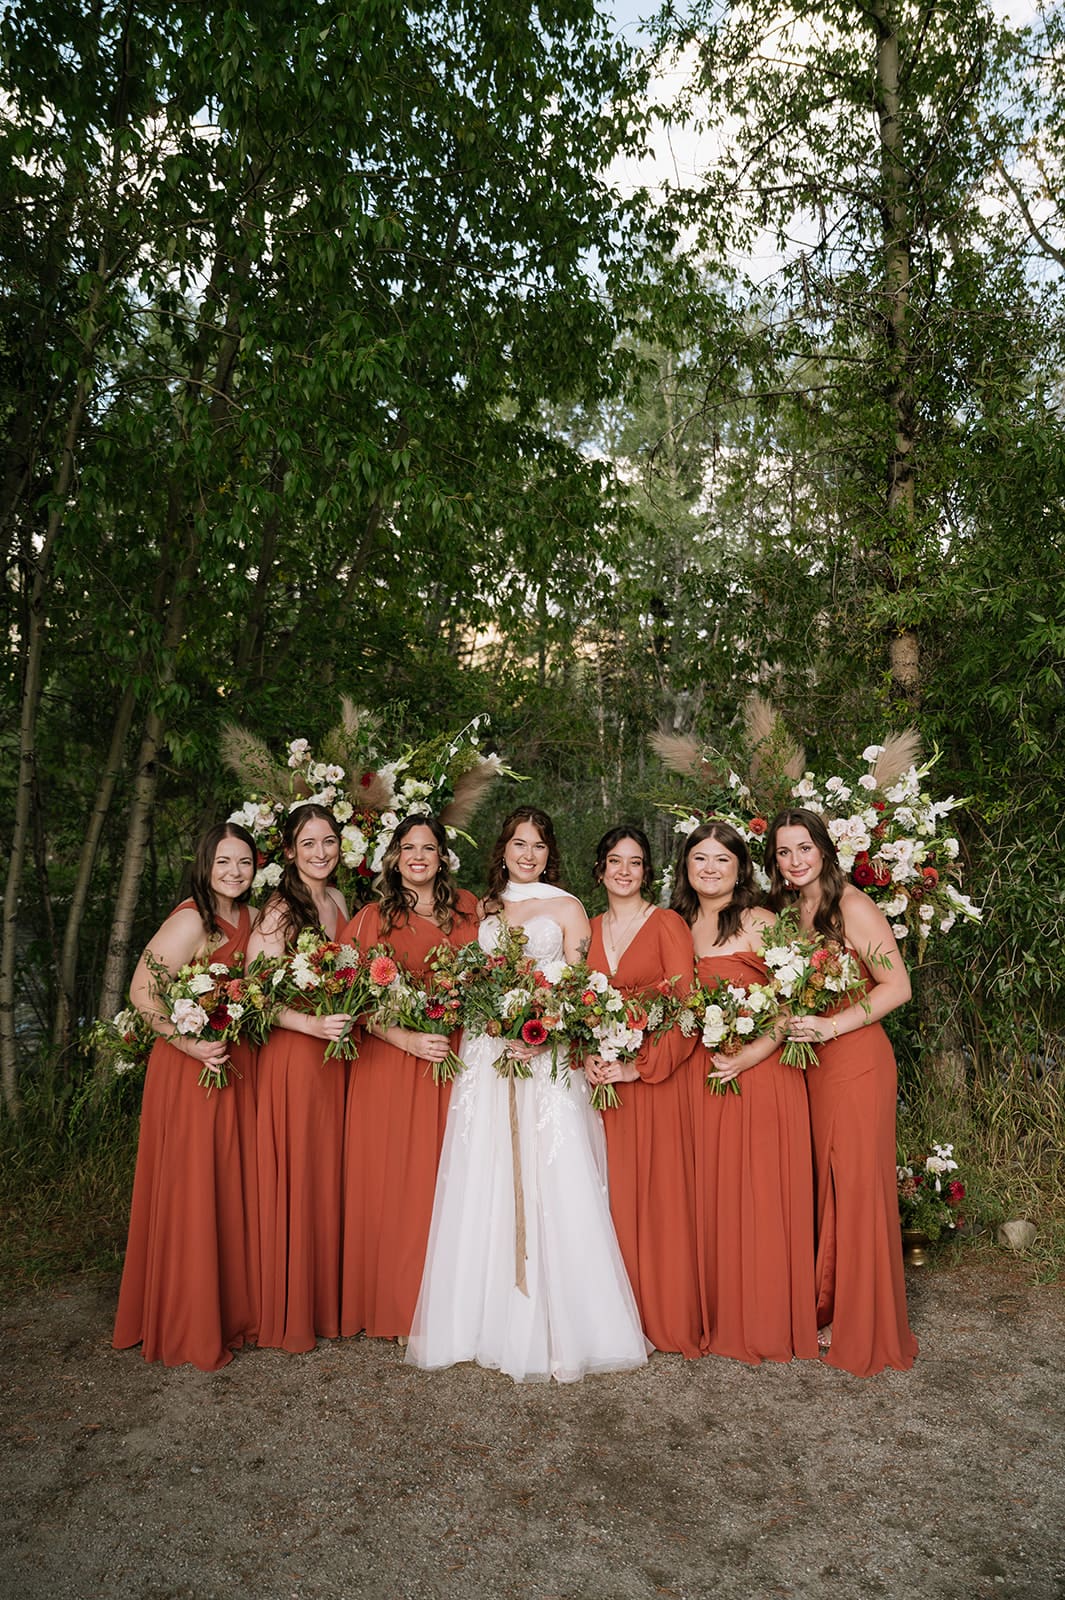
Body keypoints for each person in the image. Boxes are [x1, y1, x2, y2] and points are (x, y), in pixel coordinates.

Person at [406, 806, 649, 1383]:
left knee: (554, 1171)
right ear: (504, 849)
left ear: (550, 853)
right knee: (483, 1170)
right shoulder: (483, 909)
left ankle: (567, 1322)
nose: (528, 854)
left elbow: (581, 990)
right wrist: (491, 1019)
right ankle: (477, 1320)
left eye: (539, 846)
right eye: (519, 844)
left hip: (545, 1057)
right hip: (487, 1057)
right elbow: (466, 979)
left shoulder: (567, 908)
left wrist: (543, 1036)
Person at [766, 807, 917, 1377]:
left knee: (853, 1185)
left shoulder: (852, 905)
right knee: (818, 1182)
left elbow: (897, 985)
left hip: (854, 1060)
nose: (795, 860)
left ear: (825, 850)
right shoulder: (786, 911)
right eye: (783, 852)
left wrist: (831, 1025)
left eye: (803, 848)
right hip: (806, 1064)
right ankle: (822, 1305)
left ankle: (862, 1321)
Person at [113, 822, 260, 1371]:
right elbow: (142, 991)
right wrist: (189, 1042)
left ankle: (232, 1311)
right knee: (194, 1185)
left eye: (244, 861)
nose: (234, 872)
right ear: (205, 864)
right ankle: (187, 1319)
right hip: (191, 1067)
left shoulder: (250, 917)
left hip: (234, 1062)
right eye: (224, 862)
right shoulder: (191, 919)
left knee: (228, 1183)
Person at [672, 820, 818, 1365]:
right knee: (708, 1191)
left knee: (757, 1190)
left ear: (741, 868)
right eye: (700, 859)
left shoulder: (762, 921)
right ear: (686, 866)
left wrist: (751, 1053)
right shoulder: (673, 923)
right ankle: (711, 1309)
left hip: (759, 1073)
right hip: (699, 1074)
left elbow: (793, 997)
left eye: (721, 860)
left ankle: (760, 1317)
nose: (709, 869)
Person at [339, 815, 480, 1341]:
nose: (417, 856)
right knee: (400, 1183)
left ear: (443, 856)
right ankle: (400, 1307)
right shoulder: (371, 918)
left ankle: (450, 1304)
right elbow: (349, 1001)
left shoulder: (469, 908)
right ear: (393, 857)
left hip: (457, 1058)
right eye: (407, 848)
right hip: (394, 1063)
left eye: (428, 848)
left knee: (452, 1180)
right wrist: (405, 1038)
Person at [583, 826, 701, 1358]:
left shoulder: (668, 924)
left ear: (647, 871)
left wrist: (640, 1067)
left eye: (635, 862)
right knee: (604, 1199)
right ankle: (611, 1318)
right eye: (615, 861)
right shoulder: (584, 930)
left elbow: (687, 1009)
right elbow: (571, 1005)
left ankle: (660, 1316)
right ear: (600, 869)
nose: (624, 871)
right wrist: (584, 1053)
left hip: (652, 1081)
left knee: (656, 1198)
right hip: (599, 1083)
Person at [249, 803, 351, 1353]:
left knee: (326, 1172)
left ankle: (324, 1302)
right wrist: (310, 1023)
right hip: (295, 1054)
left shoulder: (335, 900)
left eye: (329, 841)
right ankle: (289, 1310)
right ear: (288, 851)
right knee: (298, 1174)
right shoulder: (279, 910)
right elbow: (253, 994)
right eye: (308, 843)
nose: (321, 853)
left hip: (333, 1056)